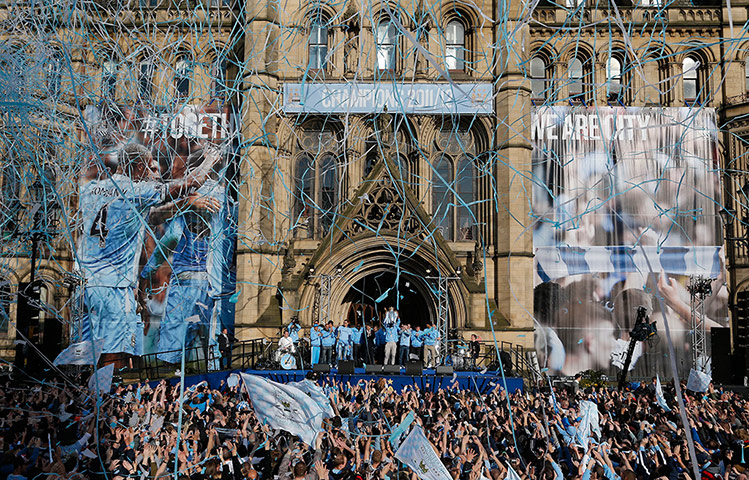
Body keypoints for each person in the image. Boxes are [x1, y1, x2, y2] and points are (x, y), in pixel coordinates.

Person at [77, 143, 220, 364]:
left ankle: (75, 396)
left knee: (83, 354)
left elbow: (150, 218)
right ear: (137, 167)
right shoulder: (136, 191)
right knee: (115, 354)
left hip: (86, 283)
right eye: (149, 168)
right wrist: (211, 159)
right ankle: (108, 397)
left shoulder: (90, 190)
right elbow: (189, 185)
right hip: (114, 286)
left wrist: (184, 205)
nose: (154, 174)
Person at [141, 146, 232, 367]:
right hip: (215, 282)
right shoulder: (227, 199)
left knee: (173, 341)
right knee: (210, 339)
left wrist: (147, 270)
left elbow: (172, 236)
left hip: (185, 279)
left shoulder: (191, 196)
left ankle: (167, 385)